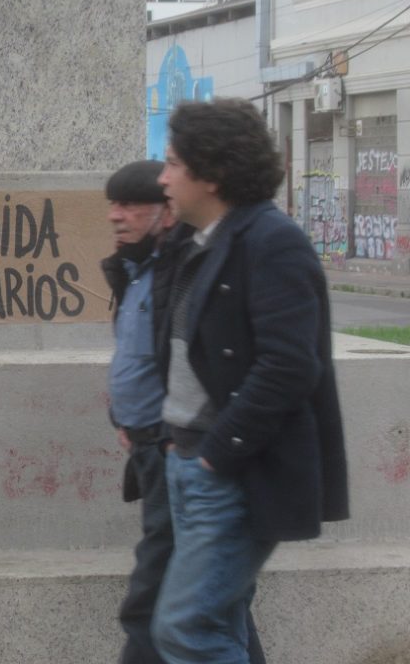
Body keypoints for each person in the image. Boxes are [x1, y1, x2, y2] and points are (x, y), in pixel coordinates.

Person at [151, 98, 349, 663]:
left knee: (186, 628)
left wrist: (218, 454)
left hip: (231, 473)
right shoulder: (198, 241)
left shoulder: (271, 241)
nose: (162, 178)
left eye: (173, 164)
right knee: (220, 621)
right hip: (188, 462)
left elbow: (289, 365)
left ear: (211, 174)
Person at [102, 160, 264, 664]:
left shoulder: (183, 270)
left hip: (179, 449)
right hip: (152, 448)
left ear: (167, 213)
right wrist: (123, 417)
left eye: (130, 205)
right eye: (113, 204)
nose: (115, 215)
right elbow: (139, 355)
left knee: (158, 601)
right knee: (209, 607)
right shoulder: (135, 270)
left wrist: (174, 435)